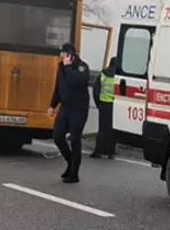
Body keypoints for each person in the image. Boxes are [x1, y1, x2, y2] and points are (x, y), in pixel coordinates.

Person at [48, 42, 90, 183]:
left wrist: (67, 68)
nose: (61, 56)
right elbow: (58, 86)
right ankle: (70, 163)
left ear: (70, 55)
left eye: (63, 53)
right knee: (57, 135)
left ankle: (74, 173)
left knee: (75, 139)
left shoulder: (82, 67)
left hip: (78, 109)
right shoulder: (61, 67)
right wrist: (52, 105)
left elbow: (76, 81)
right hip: (65, 107)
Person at [90, 55, 118, 159]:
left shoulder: (103, 74)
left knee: (102, 129)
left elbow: (96, 90)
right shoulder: (118, 76)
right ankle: (111, 152)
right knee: (112, 129)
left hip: (103, 104)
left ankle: (98, 151)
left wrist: (98, 104)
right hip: (114, 106)